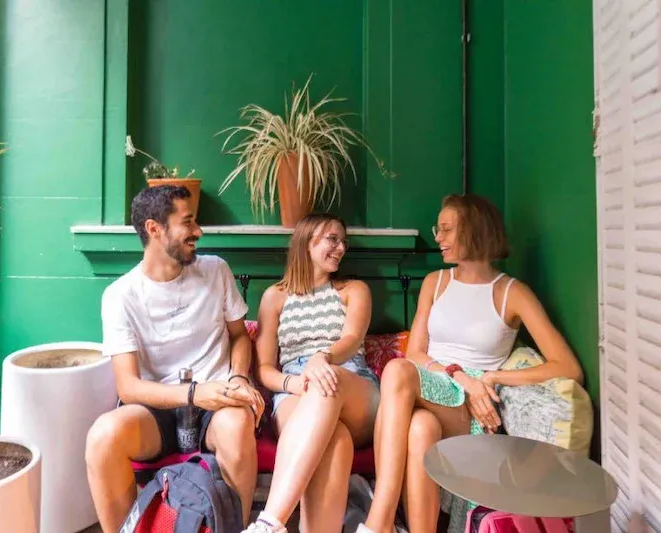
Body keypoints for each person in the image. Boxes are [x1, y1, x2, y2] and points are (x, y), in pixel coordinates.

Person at [359, 194, 584, 533]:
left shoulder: (512, 292)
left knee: (395, 371)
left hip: (474, 408)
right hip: (440, 382)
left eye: (447, 229)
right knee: (420, 427)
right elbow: (416, 352)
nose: (438, 237)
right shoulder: (435, 283)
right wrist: (458, 375)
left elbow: (568, 366)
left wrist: (494, 376)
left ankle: (378, 522)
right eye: (438, 229)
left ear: (475, 231)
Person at [85, 185, 265, 533]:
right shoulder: (120, 296)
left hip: (218, 404)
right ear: (155, 229)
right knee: (102, 436)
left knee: (238, 425)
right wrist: (194, 393)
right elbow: (129, 385)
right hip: (159, 410)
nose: (198, 232)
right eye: (188, 222)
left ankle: (236, 527)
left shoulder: (216, 271)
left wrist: (239, 378)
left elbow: (240, 335)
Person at [242, 213, 381, 533]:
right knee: (336, 440)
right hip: (295, 386)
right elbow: (264, 368)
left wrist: (323, 358)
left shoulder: (353, 289)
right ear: (306, 241)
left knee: (325, 385)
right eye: (332, 239)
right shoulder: (274, 297)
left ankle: (269, 522)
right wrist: (294, 382)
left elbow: (352, 339)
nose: (341, 247)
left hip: (350, 379)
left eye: (343, 241)